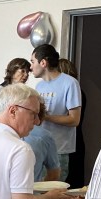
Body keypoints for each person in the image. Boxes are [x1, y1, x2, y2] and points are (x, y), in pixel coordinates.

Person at [29, 44, 81, 181]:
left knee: (52, 189)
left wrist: (46, 117)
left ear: (43, 63)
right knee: (36, 188)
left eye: (32, 62)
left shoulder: (70, 83)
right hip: (38, 146)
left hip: (59, 149)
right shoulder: (39, 86)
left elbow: (74, 120)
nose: (30, 67)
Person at [58, 58, 87, 188]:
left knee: (69, 181)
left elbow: (72, 119)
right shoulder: (80, 92)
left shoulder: (74, 92)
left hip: (69, 140)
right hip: (76, 139)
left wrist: (47, 117)